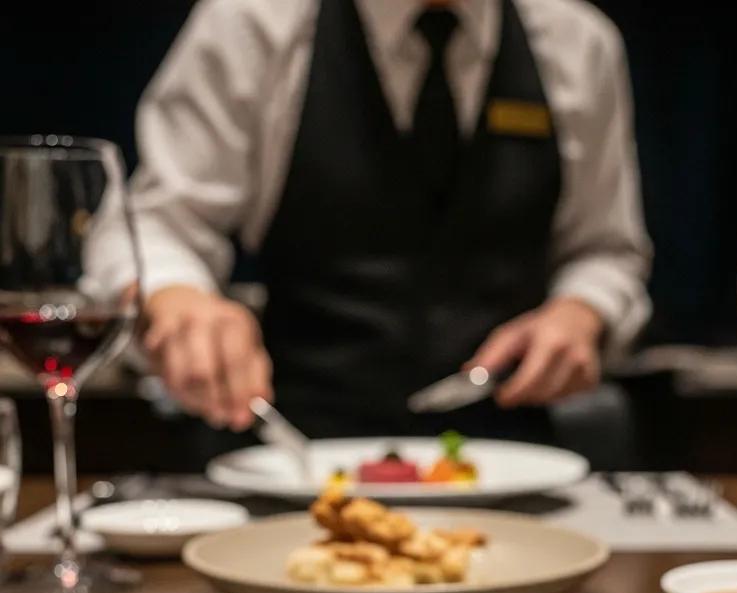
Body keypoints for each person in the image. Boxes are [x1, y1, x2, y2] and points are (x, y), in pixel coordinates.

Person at [92, 0, 651, 441]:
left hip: (513, 457)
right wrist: (177, 301)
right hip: (292, 452)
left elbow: (606, 250)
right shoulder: (252, 24)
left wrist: (582, 312)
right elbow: (156, 224)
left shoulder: (580, 43)